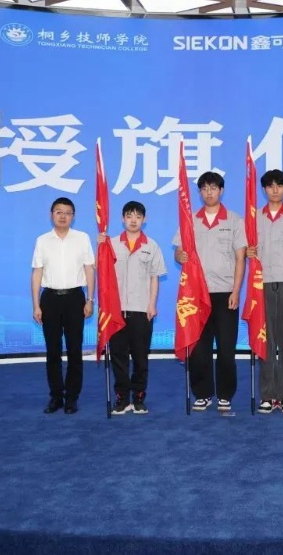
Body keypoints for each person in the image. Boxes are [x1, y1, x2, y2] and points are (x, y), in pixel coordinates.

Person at [173, 171, 247, 412]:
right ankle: (202, 393)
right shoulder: (191, 220)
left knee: (226, 348)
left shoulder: (234, 220)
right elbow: (179, 251)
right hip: (196, 293)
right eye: (204, 188)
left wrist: (236, 291)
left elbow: (240, 258)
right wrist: (179, 255)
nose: (209, 192)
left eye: (213, 188)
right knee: (199, 348)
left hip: (225, 293)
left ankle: (225, 394)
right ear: (200, 192)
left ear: (221, 190)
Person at [31, 197, 95, 415]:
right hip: (50, 299)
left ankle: (72, 398)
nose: (63, 216)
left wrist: (90, 299)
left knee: (75, 350)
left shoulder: (82, 238)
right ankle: (56, 396)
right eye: (59, 212)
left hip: (75, 298)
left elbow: (89, 269)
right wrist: (36, 305)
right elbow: (37, 272)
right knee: (53, 351)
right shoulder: (42, 240)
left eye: (68, 213)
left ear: (73, 216)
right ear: (52, 215)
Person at [103, 201, 167, 415]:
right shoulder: (111, 244)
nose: (133, 220)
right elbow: (102, 274)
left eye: (138, 216)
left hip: (142, 310)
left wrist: (152, 304)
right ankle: (122, 398)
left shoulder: (151, 245)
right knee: (118, 357)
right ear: (122, 218)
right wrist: (100, 246)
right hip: (116, 310)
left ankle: (139, 397)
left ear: (144, 220)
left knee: (141, 357)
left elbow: (155, 277)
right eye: (129, 216)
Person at [245, 169, 283, 414]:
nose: (275, 190)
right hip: (263, 284)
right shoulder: (253, 217)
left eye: (280, 185)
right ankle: (267, 395)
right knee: (265, 341)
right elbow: (245, 250)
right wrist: (247, 253)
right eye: (270, 186)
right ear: (264, 189)